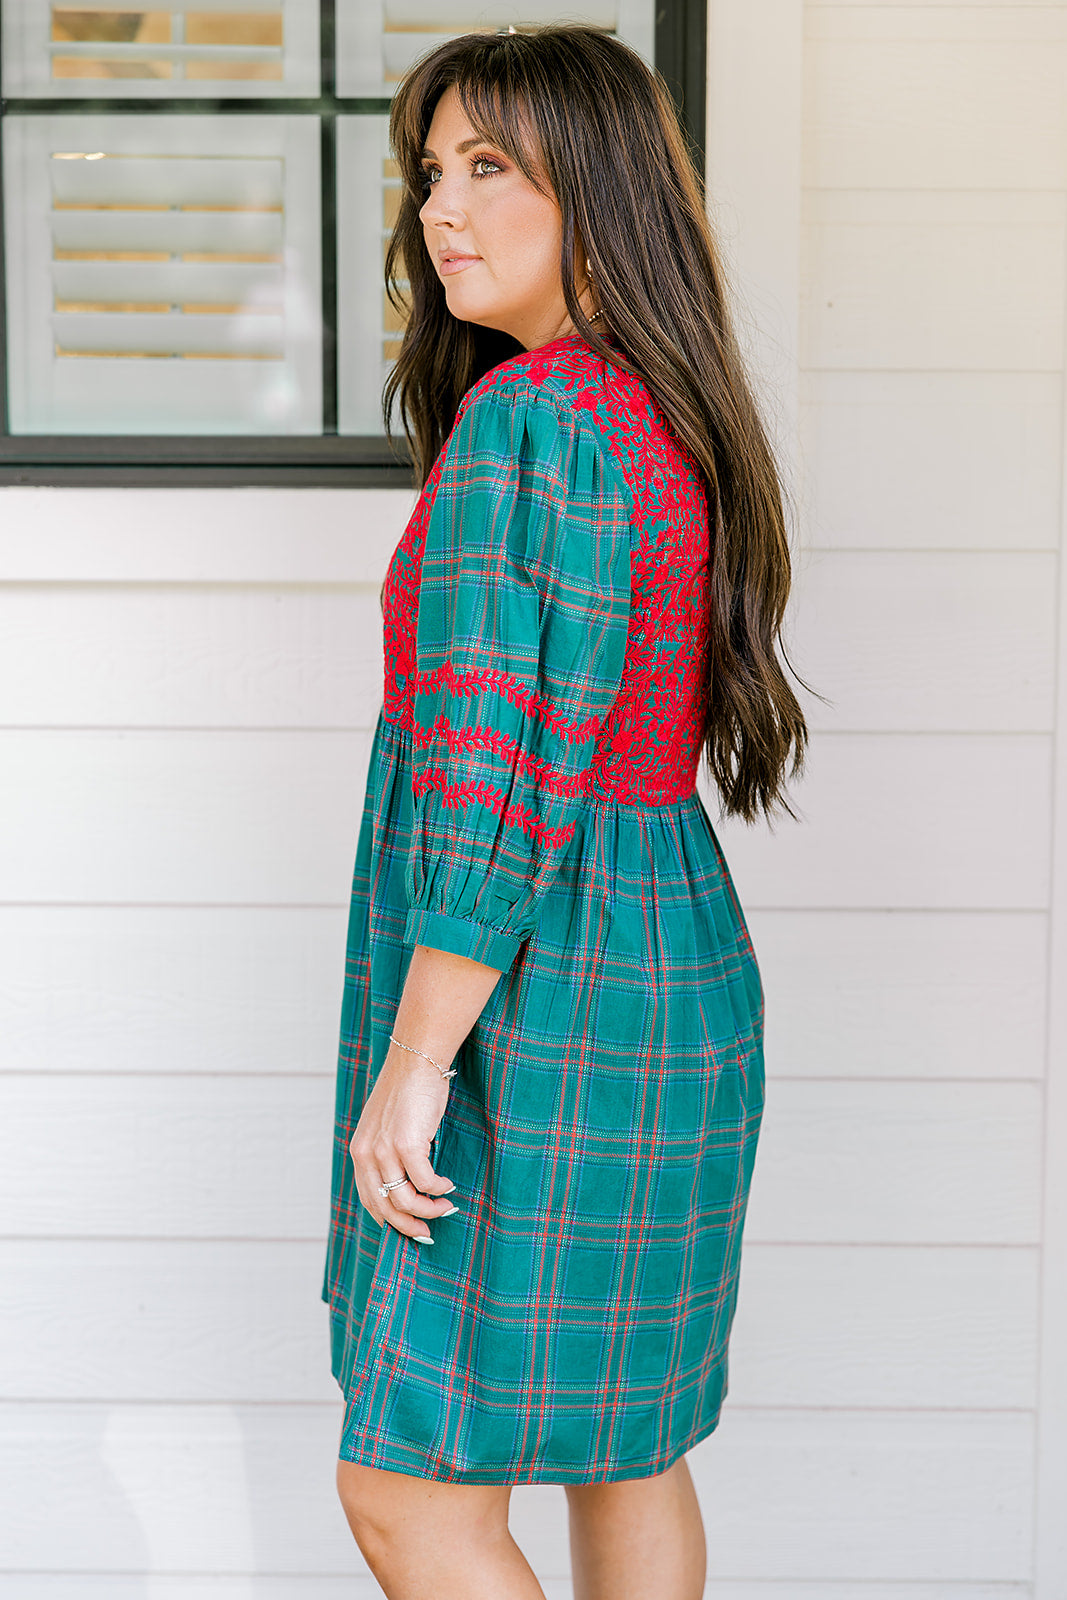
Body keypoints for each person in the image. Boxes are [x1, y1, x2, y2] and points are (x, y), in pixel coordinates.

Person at [321, 23, 807, 1600]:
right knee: (630, 1446)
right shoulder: (666, 418)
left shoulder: (531, 424)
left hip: (541, 1003)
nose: (440, 210)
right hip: (670, 978)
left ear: (593, 192)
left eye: (487, 169)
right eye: (430, 172)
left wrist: (414, 1062)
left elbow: (494, 779)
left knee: (410, 1489)